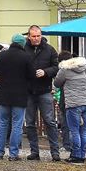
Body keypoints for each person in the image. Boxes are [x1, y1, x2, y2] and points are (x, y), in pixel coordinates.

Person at [22, 25, 62, 162]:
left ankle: (55, 152)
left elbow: (57, 67)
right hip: (28, 91)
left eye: (38, 36)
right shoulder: (23, 49)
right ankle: (34, 151)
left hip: (44, 90)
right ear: (29, 36)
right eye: (33, 36)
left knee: (50, 122)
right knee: (30, 123)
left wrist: (46, 72)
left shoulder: (50, 49)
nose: (36, 38)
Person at [53, 51, 86, 164]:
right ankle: (83, 154)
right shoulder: (83, 67)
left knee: (74, 130)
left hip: (73, 104)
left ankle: (76, 156)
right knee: (83, 130)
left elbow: (57, 83)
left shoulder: (64, 70)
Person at [0, 34, 32, 160]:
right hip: (20, 96)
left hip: (4, 94)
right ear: (22, 44)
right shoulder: (26, 56)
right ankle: (13, 154)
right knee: (17, 125)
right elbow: (31, 74)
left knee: (2, 124)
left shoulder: (2, 55)